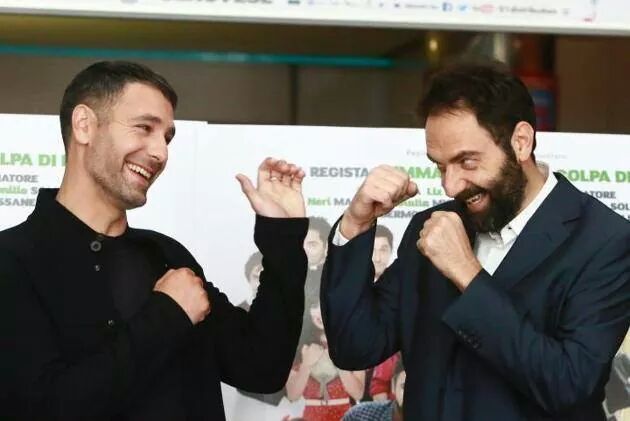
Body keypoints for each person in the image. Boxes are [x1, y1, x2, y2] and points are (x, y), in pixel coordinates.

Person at [0, 61, 309, 421]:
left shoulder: (166, 256)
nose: (160, 153)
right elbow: (43, 408)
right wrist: (167, 316)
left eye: (166, 138)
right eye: (144, 128)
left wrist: (283, 238)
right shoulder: (13, 260)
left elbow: (260, 368)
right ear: (84, 125)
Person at [320, 61, 630, 420]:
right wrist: (356, 224)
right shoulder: (433, 226)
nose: (450, 186)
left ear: (521, 142)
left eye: (467, 162)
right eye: (440, 166)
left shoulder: (604, 241)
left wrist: (467, 273)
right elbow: (355, 345)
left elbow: (567, 385)